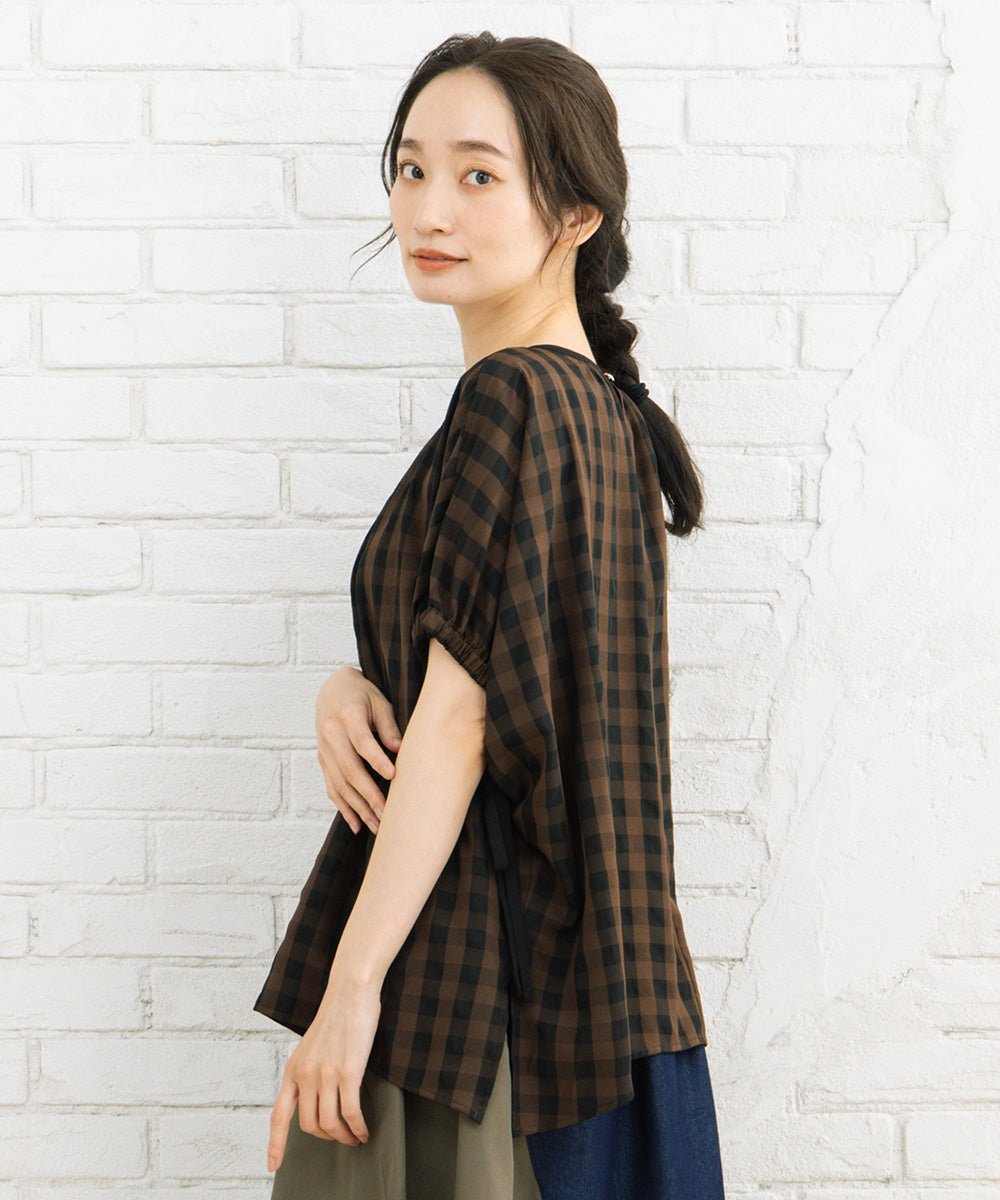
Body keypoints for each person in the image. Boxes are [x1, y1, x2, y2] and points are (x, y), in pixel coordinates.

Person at [253, 31, 726, 1200]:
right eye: (411, 169)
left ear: (574, 213)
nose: (429, 208)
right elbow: (483, 677)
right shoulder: (594, 410)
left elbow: (465, 727)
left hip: (474, 995)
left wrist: (350, 988)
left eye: (477, 174)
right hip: (593, 993)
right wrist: (351, 686)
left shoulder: (515, 399)